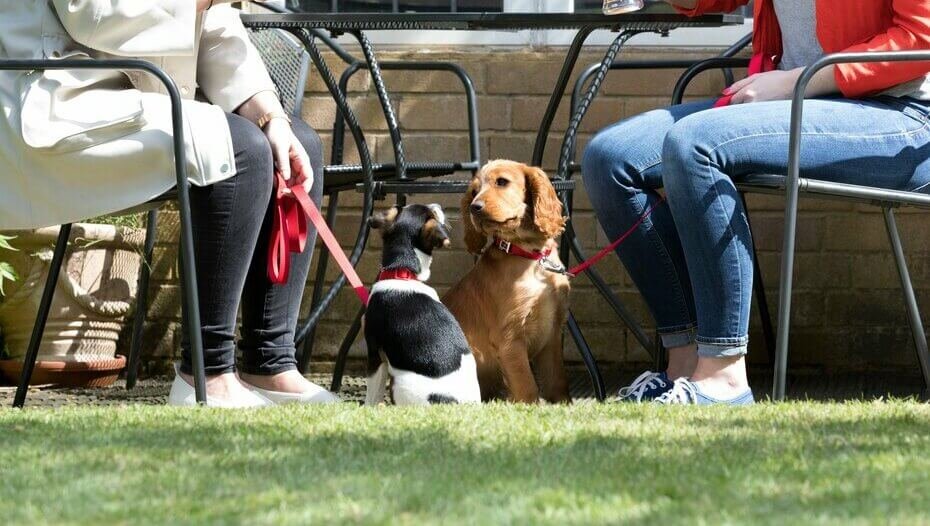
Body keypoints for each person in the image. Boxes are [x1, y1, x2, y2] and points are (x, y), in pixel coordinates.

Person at [583, 0, 930, 404]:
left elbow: (921, 38)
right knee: (610, 159)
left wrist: (793, 81)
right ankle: (685, 365)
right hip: (793, 102)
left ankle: (723, 375)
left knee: (694, 144)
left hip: (896, 114)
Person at [0, 0, 338, 407]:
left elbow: (213, 27)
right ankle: (206, 374)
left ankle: (269, 363)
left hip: (129, 96)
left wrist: (269, 114)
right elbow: (87, 13)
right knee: (241, 150)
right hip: (57, 98)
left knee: (295, 143)